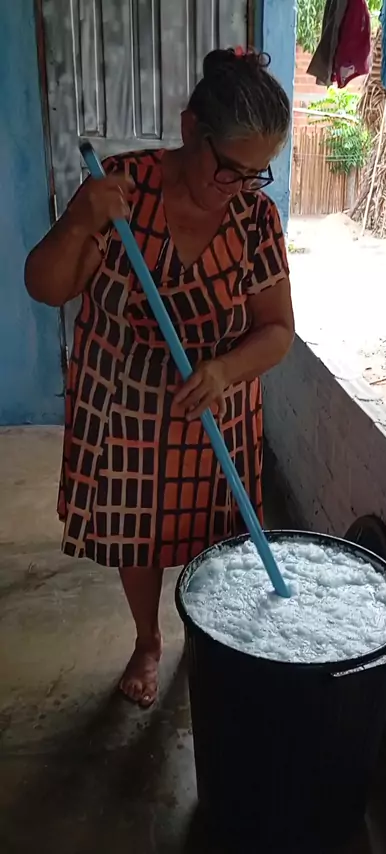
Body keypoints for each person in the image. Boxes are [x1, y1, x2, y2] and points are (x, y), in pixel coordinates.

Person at [25, 48, 294, 708]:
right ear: (189, 129)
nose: (237, 188)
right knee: (137, 533)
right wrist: (80, 220)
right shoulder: (121, 192)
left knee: (219, 531)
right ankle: (147, 640)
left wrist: (225, 370)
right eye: (227, 169)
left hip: (216, 399)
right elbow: (46, 286)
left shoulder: (256, 217)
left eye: (254, 175)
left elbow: (277, 330)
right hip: (130, 399)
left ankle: (210, 637)